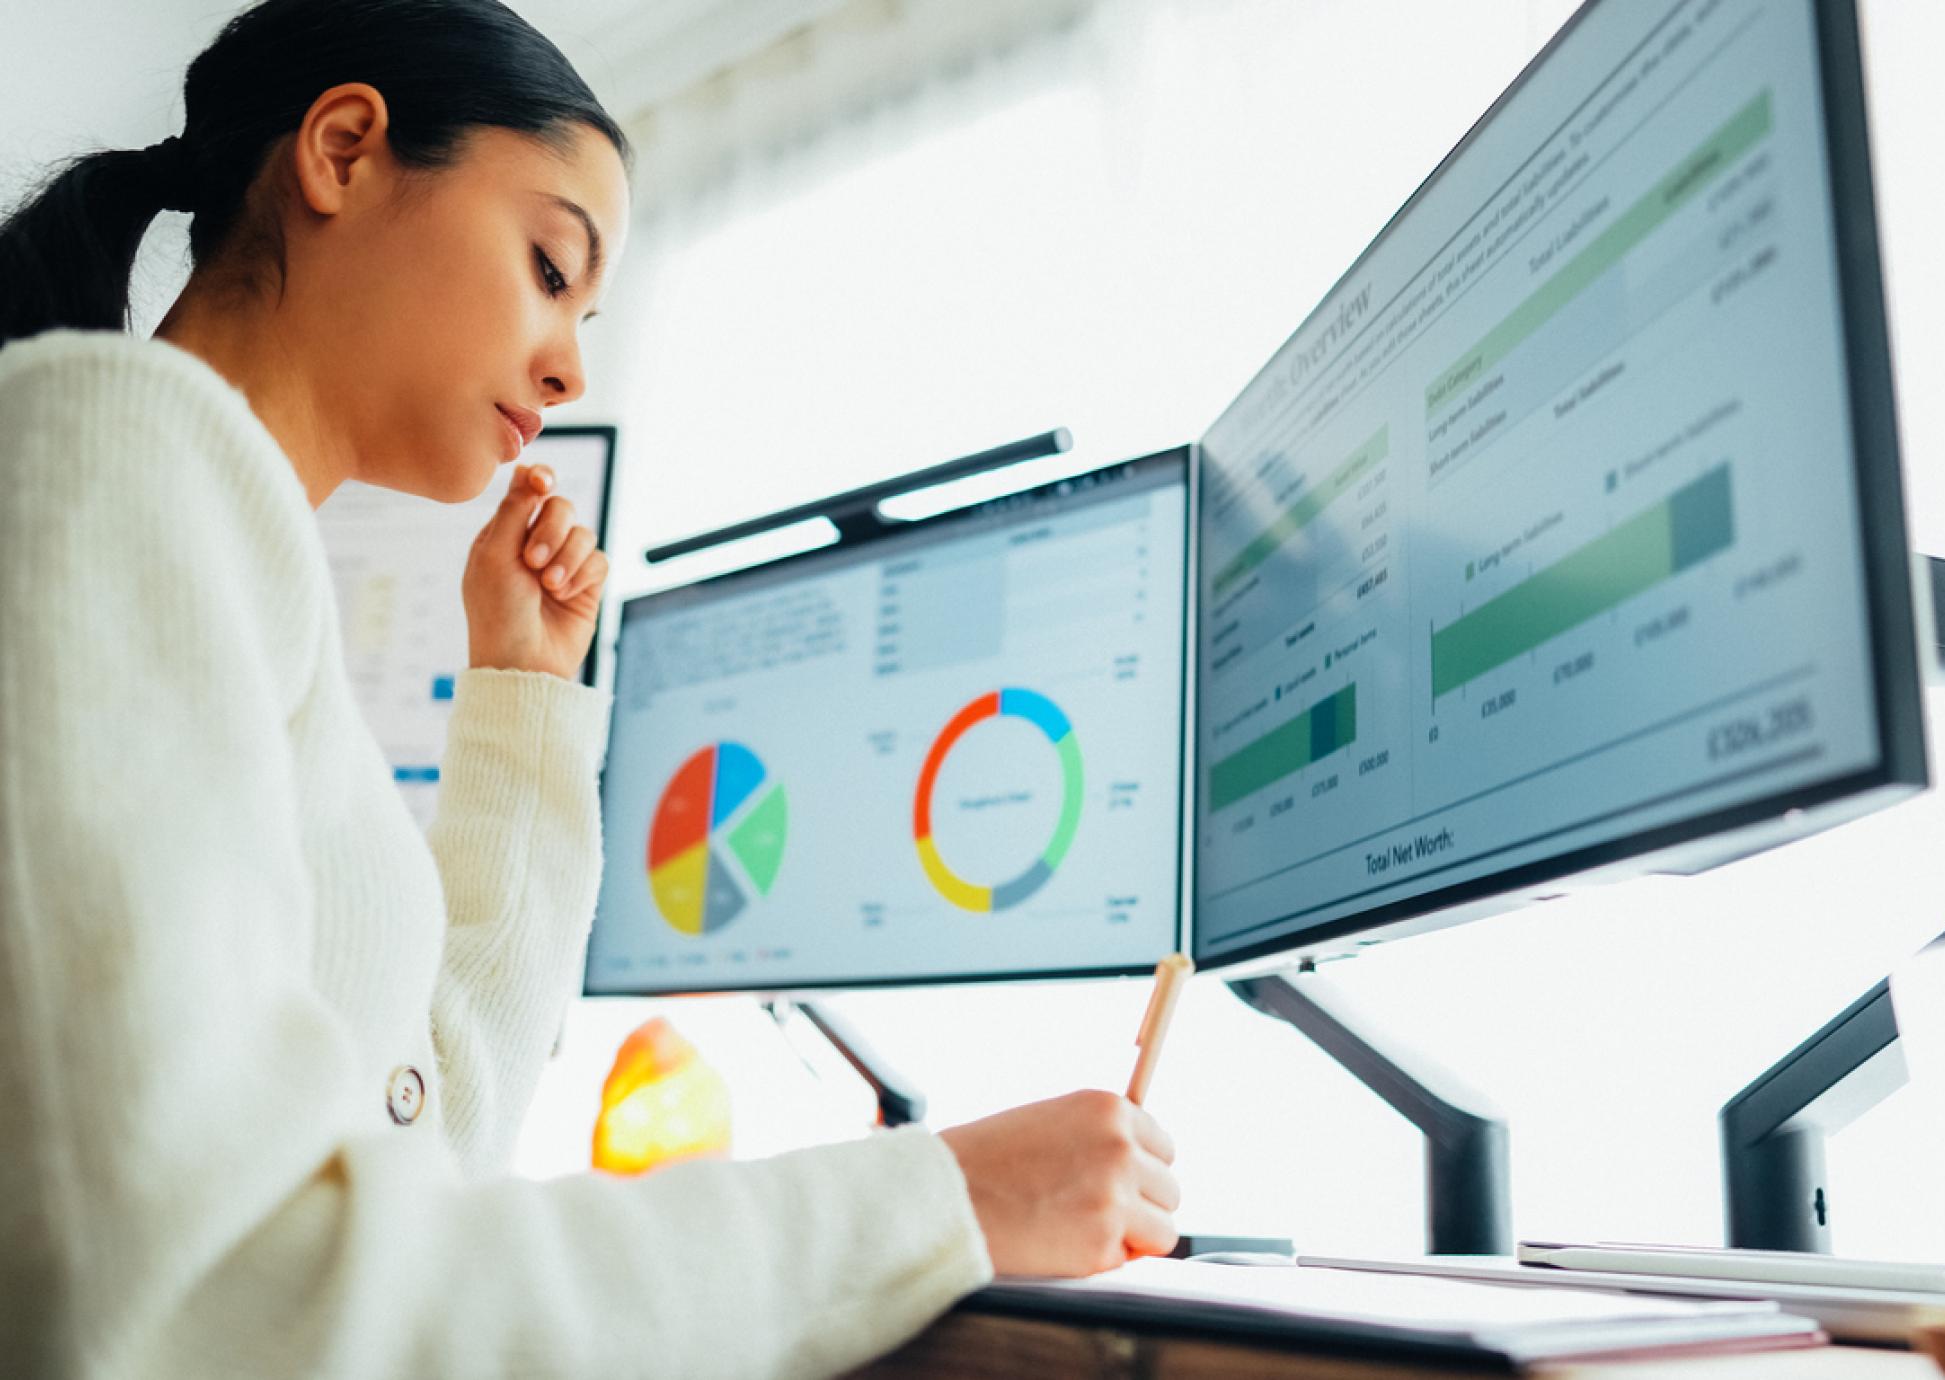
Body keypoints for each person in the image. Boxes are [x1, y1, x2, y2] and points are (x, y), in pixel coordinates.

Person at [0, 1, 1180, 1375]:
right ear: (342, 150)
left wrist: (523, 697)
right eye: (552, 267)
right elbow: (218, 1298)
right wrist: (947, 1199)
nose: (570, 367)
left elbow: (424, 1133)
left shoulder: (225, 550)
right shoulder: (107, 454)